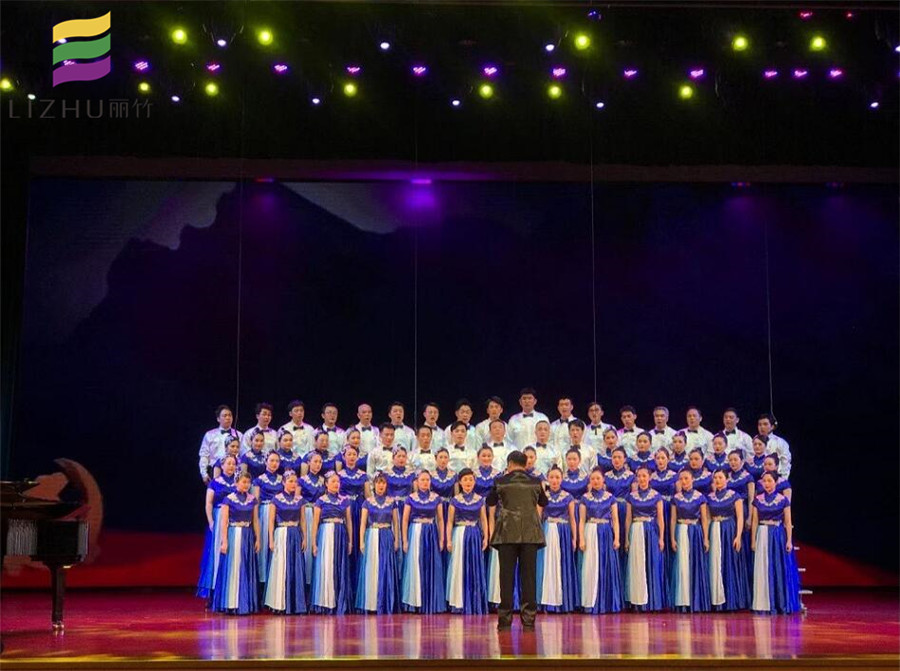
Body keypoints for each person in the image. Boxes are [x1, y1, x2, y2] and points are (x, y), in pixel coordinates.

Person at [487, 450, 548, 630]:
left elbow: (490, 501)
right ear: (525, 464)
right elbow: (544, 502)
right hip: (530, 533)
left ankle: (505, 620)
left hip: (507, 533)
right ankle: (528, 619)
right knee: (529, 577)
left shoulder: (500, 481)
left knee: (506, 577)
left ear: (510, 464)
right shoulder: (535, 481)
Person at [751, 472, 800, 614]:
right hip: (762, 533)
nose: (766, 484)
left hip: (777, 534)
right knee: (762, 567)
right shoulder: (757, 500)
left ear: (775, 482)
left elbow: (788, 522)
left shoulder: (783, 500)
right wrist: (753, 540)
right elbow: (754, 521)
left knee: (777, 566)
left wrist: (789, 540)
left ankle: (779, 603)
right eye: (764, 481)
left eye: (769, 481)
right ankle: (763, 603)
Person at [212, 471, 260, 614]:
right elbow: (224, 522)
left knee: (245, 567)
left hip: (247, 535)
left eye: (248, 482)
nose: (246, 485)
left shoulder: (252, 499)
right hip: (233, 534)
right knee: (232, 567)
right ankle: (230, 602)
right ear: (236, 483)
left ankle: (245, 603)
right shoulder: (228, 499)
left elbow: (255, 520)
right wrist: (224, 541)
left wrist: (258, 538)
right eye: (243, 482)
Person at [445, 468, 489, 614]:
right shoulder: (455, 500)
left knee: (474, 567)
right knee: (459, 566)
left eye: (470, 479)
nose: (468, 482)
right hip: (459, 534)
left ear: (475, 482)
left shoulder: (480, 500)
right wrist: (448, 540)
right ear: (460, 482)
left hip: (474, 534)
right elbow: (449, 521)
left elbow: (483, 520)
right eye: (465, 480)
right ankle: (459, 602)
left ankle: (474, 602)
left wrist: (486, 537)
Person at [401, 471, 447, 613]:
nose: (425, 482)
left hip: (431, 531)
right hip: (415, 531)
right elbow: (404, 520)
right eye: (422, 480)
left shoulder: (436, 498)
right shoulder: (410, 498)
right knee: (415, 564)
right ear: (417, 482)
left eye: (427, 480)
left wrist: (441, 538)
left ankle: (430, 601)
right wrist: (405, 540)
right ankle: (415, 601)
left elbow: (440, 519)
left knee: (431, 565)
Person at [579, 468, 623, 614]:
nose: (595, 481)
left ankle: (606, 602)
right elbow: (581, 520)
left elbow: (615, 520)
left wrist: (617, 538)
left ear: (603, 480)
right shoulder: (585, 498)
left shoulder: (611, 498)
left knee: (606, 564)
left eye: (598, 478)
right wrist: (581, 539)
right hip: (590, 531)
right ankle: (590, 601)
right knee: (590, 565)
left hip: (605, 532)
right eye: (593, 479)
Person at [264, 471, 308, 614]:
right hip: (281, 533)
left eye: (295, 482)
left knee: (296, 566)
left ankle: (295, 604)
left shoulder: (300, 500)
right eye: (290, 481)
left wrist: (304, 537)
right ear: (283, 482)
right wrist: (271, 539)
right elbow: (271, 521)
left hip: (295, 533)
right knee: (280, 566)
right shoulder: (276, 499)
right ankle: (279, 603)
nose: (293, 484)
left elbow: (303, 520)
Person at [536, 466, 578, 613]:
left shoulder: (568, 497)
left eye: (557, 477)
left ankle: (563, 603)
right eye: (552, 477)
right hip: (547, 531)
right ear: (548, 479)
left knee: (562, 564)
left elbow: (572, 519)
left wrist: (574, 538)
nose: (554, 480)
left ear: (562, 479)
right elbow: (538, 518)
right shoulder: (542, 497)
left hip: (563, 533)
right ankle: (545, 602)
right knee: (546, 565)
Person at [357, 473, 401, 614]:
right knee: (372, 567)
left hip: (387, 535)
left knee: (385, 567)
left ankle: (385, 601)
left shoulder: (392, 502)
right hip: (372, 535)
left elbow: (396, 523)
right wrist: (361, 541)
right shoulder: (367, 502)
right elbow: (363, 524)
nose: (381, 485)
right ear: (374, 485)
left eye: (383, 483)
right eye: (378, 483)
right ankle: (371, 603)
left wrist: (397, 540)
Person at [310, 472, 353, 614]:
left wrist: (350, 541)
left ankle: (340, 601)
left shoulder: (345, 500)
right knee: (327, 564)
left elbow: (349, 522)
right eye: (333, 481)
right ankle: (326, 601)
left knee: (340, 565)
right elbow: (315, 523)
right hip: (326, 533)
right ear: (326, 484)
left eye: (338, 482)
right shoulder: (320, 501)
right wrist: (314, 543)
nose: (336, 484)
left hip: (340, 532)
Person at [623, 466, 665, 612]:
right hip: (636, 530)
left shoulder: (657, 496)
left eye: (644, 476)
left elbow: (660, 518)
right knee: (637, 564)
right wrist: (627, 538)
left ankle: (652, 602)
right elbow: (628, 518)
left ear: (649, 477)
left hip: (651, 530)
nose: (641, 479)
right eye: (639, 476)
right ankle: (638, 601)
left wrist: (661, 537)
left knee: (651, 563)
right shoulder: (631, 497)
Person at [707, 470, 750, 611]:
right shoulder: (710, 497)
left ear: (726, 479)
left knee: (729, 562)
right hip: (714, 529)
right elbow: (707, 518)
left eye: (720, 477)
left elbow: (740, 517)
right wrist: (706, 537)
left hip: (729, 529)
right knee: (715, 562)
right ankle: (716, 600)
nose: (718, 480)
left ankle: (731, 601)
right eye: (715, 478)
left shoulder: (735, 496)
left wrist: (738, 536)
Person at [670, 469, 711, 613]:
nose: (684, 481)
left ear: (692, 479)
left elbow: (704, 519)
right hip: (681, 529)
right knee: (682, 564)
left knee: (695, 564)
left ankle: (696, 600)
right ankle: (682, 600)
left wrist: (706, 538)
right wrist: (672, 538)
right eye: (681, 479)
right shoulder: (676, 498)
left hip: (695, 531)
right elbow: (673, 519)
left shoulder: (700, 497)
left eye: (686, 478)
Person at [197, 455, 237, 600]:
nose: (231, 466)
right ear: (222, 465)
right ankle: (215, 589)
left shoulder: (238, 482)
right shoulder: (215, 482)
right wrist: (211, 521)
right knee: (217, 551)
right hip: (219, 516)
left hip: (235, 517)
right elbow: (208, 503)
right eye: (228, 463)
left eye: (233, 464)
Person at [252, 451, 284, 590]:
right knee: (265, 543)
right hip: (265, 512)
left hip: (280, 512)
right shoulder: (259, 480)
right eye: (271, 460)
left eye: (277, 461)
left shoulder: (282, 479)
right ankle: (262, 581)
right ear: (266, 462)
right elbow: (256, 501)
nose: (274, 463)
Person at [298, 453, 326, 590]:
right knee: (307, 543)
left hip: (319, 514)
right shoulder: (302, 480)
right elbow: (297, 499)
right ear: (309, 463)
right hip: (307, 513)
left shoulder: (323, 480)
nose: (318, 464)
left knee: (318, 543)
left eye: (320, 462)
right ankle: (305, 581)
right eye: (315, 461)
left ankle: (316, 580)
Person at [199, 405, 242, 484]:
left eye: (230, 415)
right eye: (225, 416)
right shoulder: (210, 435)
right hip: (214, 470)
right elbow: (204, 455)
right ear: (218, 419)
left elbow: (242, 455)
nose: (228, 418)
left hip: (233, 471)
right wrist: (204, 473)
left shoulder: (239, 435)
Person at [604, 447, 635, 554]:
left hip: (625, 509)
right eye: (614, 457)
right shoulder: (606, 476)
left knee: (625, 534)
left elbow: (634, 495)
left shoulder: (631, 476)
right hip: (610, 509)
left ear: (625, 459)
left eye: (619, 457)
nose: (616, 460)